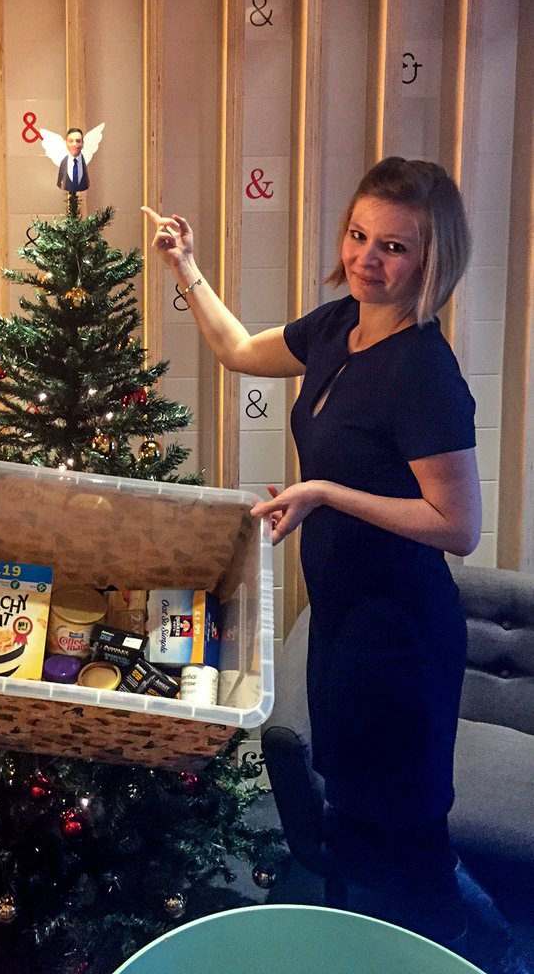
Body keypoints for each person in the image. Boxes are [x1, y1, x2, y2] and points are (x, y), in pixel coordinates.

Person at [144, 157, 492, 950]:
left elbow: (457, 524)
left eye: (395, 247)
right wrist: (185, 266)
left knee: (407, 840)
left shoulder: (425, 372)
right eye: (359, 235)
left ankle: (466, 950)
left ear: (432, 258)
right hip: (340, 617)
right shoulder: (339, 327)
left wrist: (327, 492)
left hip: (400, 635)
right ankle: (361, 945)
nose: (369, 258)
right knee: (350, 813)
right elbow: (237, 350)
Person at [56, 126, 90, 192]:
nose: (75, 144)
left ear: (82, 143)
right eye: (71, 141)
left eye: (78, 141)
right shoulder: (63, 163)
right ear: (66, 143)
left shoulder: (86, 163)